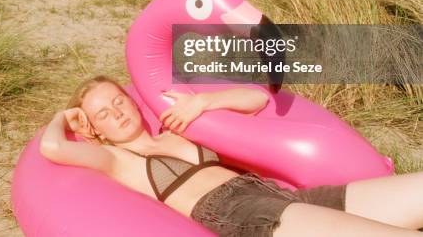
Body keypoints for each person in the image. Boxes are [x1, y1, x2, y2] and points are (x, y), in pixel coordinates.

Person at [40, 75, 423, 237]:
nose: (117, 113)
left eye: (118, 101)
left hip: (280, 197)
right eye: (102, 114)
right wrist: (63, 116)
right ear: (95, 129)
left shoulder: (177, 125)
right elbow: (53, 147)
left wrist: (202, 103)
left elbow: (257, 98)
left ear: (132, 101)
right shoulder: (115, 160)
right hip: (244, 216)